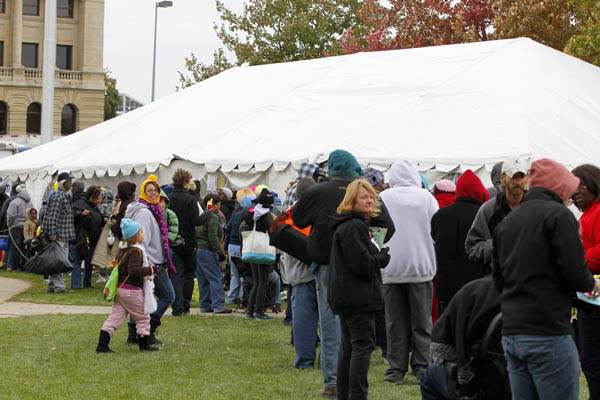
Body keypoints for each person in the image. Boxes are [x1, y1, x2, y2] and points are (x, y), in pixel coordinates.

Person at [493, 158, 600, 400]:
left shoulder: (508, 222)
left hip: (512, 332)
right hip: (548, 331)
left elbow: (498, 279)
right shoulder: (560, 216)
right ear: (560, 187)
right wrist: (589, 285)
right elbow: (575, 271)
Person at [293, 149, 394, 398]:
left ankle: (332, 383)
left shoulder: (318, 192)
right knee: (356, 338)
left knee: (333, 327)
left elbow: (297, 218)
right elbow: (388, 227)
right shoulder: (363, 196)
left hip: (326, 265)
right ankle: (347, 389)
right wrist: (375, 249)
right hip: (353, 268)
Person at [329, 179, 391, 400]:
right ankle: (357, 395)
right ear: (352, 200)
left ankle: (345, 394)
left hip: (347, 295)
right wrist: (381, 258)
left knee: (349, 348)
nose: (369, 200)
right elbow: (361, 264)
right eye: (363, 197)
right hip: (357, 296)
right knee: (361, 348)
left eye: (371, 196)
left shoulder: (349, 224)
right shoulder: (353, 226)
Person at [380, 159, 438, 384]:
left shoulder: (384, 197)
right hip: (421, 266)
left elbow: (374, 230)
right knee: (422, 322)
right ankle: (422, 366)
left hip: (391, 267)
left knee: (395, 322)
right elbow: (436, 228)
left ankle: (396, 368)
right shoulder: (426, 198)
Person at [420, 276, 504, 400]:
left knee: (431, 375)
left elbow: (443, 341)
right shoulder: (539, 292)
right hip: (524, 378)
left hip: (480, 382)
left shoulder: (477, 289)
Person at [96, 218, 159, 353]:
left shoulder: (123, 251)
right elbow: (134, 271)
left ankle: (102, 345)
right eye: (141, 232)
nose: (143, 234)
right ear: (135, 236)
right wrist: (151, 270)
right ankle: (144, 345)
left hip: (121, 290)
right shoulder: (136, 251)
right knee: (143, 317)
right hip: (132, 291)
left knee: (115, 317)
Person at [125, 175, 175, 345]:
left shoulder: (153, 210)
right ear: (143, 193)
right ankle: (149, 330)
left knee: (142, 300)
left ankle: (134, 334)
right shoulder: (145, 213)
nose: (154, 194)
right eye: (150, 191)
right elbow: (141, 240)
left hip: (154, 261)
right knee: (168, 295)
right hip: (151, 263)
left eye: (156, 191)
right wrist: (146, 266)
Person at [431, 170, 490, 315]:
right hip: (475, 286)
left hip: (446, 285)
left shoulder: (440, 215)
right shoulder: (482, 214)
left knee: (447, 331)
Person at [465, 158, 528, 267]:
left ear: (527, 178)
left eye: (521, 177)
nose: (518, 182)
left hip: (530, 277)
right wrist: (497, 245)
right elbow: (472, 246)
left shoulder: (535, 207)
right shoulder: (488, 210)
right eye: (513, 177)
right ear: (503, 178)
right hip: (498, 278)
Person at [572, 164, 600, 399]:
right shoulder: (589, 214)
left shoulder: (598, 212)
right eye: (573, 186)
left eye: (581, 184)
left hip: (595, 300)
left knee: (592, 361)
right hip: (589, 298)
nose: (576, 191)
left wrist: (574, 262)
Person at [167, 169, 201, 316]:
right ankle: (185, 304)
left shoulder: (168, 198)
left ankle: (177, 306)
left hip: (172, 239)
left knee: (176, 273)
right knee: (188, 274)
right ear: (186, 182)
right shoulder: (191, 199)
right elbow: (195, 221)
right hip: (188, 240)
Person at [195, 194, 232, 315]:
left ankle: (205, 305)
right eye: (219, 203)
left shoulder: (201, 216)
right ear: (215, 204)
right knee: (215, 277)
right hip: (208, 250)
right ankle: (218, 306)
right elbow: (213, 237)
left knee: (203, 279)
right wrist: (219, 252)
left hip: (198, 250)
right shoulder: (213, 217)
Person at [242, 190, 276, 320]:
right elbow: (272, 230)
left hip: (253, 249)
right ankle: (259, 311)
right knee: (263, 282)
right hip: (263, 250)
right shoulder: (266, 215)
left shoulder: (251, 212)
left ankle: (249, 310)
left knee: (257, 282)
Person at [41, 173, 76, 293]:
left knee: (56, 261)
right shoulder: (58, 197)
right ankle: (60, 287)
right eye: (69, 181)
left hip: (63, 234)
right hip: (59, 235)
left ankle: (52, 285)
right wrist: (52, 233)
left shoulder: (64, 196)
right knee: (59, 262)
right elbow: (52, 217)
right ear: (63, 182)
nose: (71, 184)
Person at [224, 190, 254, 305]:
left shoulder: (235, 214)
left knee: (234, 273)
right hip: (242, 246)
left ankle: (232, 297)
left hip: (232, 245)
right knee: (244, 273)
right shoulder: (250, 215)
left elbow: (228, 230)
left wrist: (226, 247)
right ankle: (242, 297)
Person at [73, 185, 104, 288]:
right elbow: (72, 215)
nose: (100, 200)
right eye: (98, 197)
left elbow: (98, 219)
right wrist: (80, 214)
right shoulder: (80, 204)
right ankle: (76, 285)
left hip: (92, 239)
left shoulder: (94, 207)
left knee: (89, 262)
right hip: (82, 239)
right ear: (92, 197)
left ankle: (87, 283)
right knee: (78, 262)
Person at [5, 184, 32, 271]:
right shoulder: (30, 202)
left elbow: (10, 215)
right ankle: (22, 266)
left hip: (15, 227)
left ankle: (10, 266)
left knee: (14, 247)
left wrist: (9, 225)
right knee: (24, 247)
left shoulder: (15, 202)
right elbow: (33, 214)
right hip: (27, 226)